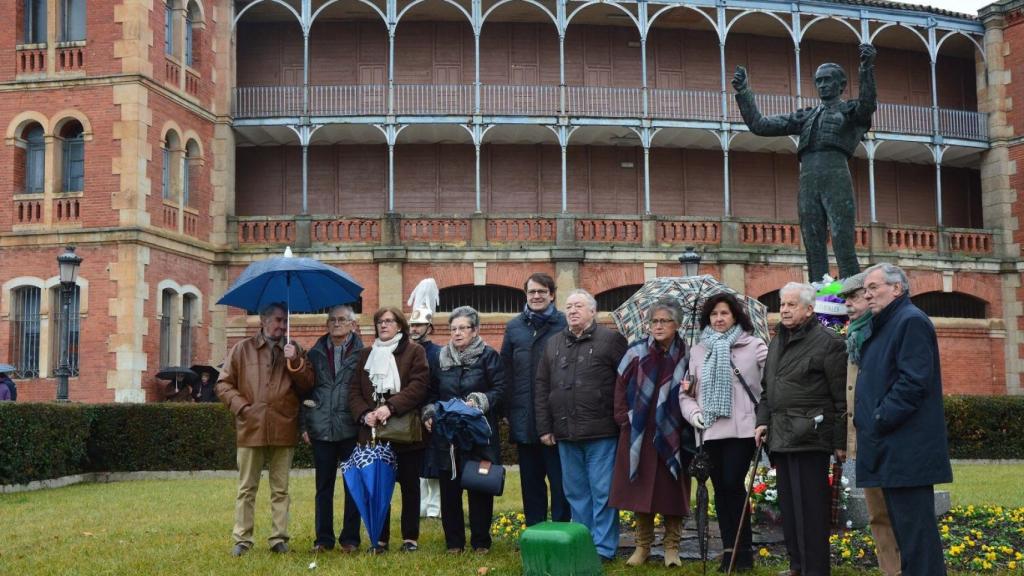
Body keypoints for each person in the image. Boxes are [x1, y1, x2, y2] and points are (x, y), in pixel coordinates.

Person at [733, 44, 877, 282]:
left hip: (835, 173)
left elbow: (868, 105)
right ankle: (821, 294)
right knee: (812, 241)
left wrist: (866, 68)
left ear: (841, 85)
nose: (822, 85)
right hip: (808, 178)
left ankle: (852, 295)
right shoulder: (806, 116)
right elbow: (760, 125)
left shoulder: (850, 111)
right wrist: (744, 92)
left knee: (842, 239)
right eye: (818, 81)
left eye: (827, 80)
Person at [856, 263, 952, 576]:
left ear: (897, 288)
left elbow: (914, 382)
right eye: (866, 289)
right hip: (890, 450)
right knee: (906, 537)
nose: (867, 294)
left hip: (906, 451)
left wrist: (880, 416)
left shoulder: (910, 321)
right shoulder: (884, 323)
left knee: (917, 538)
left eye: (874, 287)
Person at [754, 282, 847, 576]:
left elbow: (841, 398)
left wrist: (840, 441)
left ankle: (815, 569)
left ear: (809, 309)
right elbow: (768, 390)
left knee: (810, 510)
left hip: (811, 437)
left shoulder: (829, 342)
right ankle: (797, 566)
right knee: (790, 510)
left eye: (791, 304)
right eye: (782, 304)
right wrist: (762, 420)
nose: (784, 309)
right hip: (780, 436)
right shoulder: (776, 342)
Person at [535, 289, 627, 563]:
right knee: (575, 493)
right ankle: (583, 543)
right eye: (569, 306)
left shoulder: (611, 341)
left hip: (601, 432)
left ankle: (604, 549)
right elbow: (542, 387)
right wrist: (544, 427)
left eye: (578, 306)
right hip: (565, 433)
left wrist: (622, 423)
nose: (572, 310)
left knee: (602, 492)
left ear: (592, 312)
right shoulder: (553, 344)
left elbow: (625, 384)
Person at [215, 302, 314, 557]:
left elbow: (308, 386)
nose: (282, 326)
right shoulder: (241, 349)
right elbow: (223, 385)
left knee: (280, 489)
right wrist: (243, 409)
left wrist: (295, 363)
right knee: (247, 488)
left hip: (284, 425)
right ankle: (242, 539)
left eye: (285, 321)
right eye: (278, 320)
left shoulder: (295, 350)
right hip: (251, 427)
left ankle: (278, 539)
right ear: (263, 320)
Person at [680, 293, 768, 572]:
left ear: (735, 317)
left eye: (724, 314)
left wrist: (764, 420)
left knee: (732, 484)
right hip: (709, 431)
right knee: (720, 490)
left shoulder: (755, 347)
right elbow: (687, 393)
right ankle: (729, 551)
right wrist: (694, 414)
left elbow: (770, 388)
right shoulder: (697, 351)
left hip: (743, 430)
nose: (718, 319)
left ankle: (744, 552)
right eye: (714, 314)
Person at [610, 298, 690, 568]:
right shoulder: (636, 351)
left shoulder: (688, 354)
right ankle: (642, 546)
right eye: (654, 321)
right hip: (639, 434)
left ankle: (671, 548)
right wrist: (623, 419)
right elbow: (620, 386)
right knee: (640, 492)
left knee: (672, 493)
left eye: (664, 321)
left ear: (677, 325)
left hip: (673, 433)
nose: (657, 326)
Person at [423, 306, 506, 554]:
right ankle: (454, 543)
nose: (457, 333)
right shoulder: (440, 358)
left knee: (479, 485)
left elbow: (501, 389)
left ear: (475, 330)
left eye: (463, 328)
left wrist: (480, 400)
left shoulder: (488, 356)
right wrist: (428, 412)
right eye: (453, 329)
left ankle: (481, 542)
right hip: (448, 436)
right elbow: (431, 393)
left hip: (479, 434)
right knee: (450, 488)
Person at [349, 307, 429, 553]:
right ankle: (380, 538)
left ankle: (410, 538)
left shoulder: (415, 351)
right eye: (379, 321)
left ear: (400, 326)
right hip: (372, 433)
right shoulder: (365, 354)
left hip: (403, 429)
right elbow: (353, 391)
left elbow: (419, 386)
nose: (383, 325)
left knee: (409, 486)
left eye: (389, 321)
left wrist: (390, 407)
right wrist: (365, 414)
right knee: (378, 485)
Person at [838, 272, 901, 576]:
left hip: (888, 434)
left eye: (853, 297)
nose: (848, 304)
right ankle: (890, 569)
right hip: (863, 435)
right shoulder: (854, 336)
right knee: (877, 513)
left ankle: (905, 567)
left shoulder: (883, 330)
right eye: (845, 299)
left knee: (897, 511)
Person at [500, 272, 570, 526]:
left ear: (552, 295)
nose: (537, 296)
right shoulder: (514, 327)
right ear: (526, 295)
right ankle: (535, 531)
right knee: (530, 483)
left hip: (556, 418)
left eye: (542, 291)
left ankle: (562, 530)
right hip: (524, 417)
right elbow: (505, 370)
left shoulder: (564, 325)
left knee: (560, 482)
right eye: (532, 292)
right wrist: (507, 409)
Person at [302, 304, 365, 553]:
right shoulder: (315, 353)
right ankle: (323, 539)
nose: (336, 324)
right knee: (323, 487)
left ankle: (350, 539)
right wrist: (304, 424)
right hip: (321, 428)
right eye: (332, 320)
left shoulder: (364, 353)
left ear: (352, 324)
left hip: (350, 428)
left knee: (353, 486)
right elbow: (304, 391)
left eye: (342, 320)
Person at [409, 305, 442, 519]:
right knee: (416, 462)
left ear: (429, 327)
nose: (415, 328)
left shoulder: (438, 353)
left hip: (432, 411)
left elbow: (440, 385)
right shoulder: (407, 351)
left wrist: (432, 410)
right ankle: (420, 505)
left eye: (419, 324)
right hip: (411, 411)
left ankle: (435, 506)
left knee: (434, 461)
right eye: (412, 324)